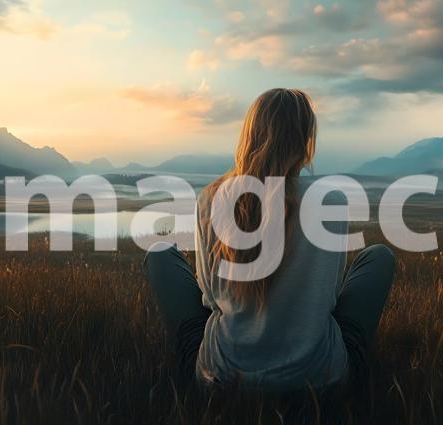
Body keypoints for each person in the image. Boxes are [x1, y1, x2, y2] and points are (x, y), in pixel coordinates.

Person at [144, 88, 395, 392]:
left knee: (160, 253)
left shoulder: (212, 198)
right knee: (379, 257)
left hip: (221, 377)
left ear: (249, 135)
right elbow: (328, 297)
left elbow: (208, 299)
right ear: (305, 142)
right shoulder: (329, 201)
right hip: (319, 378)